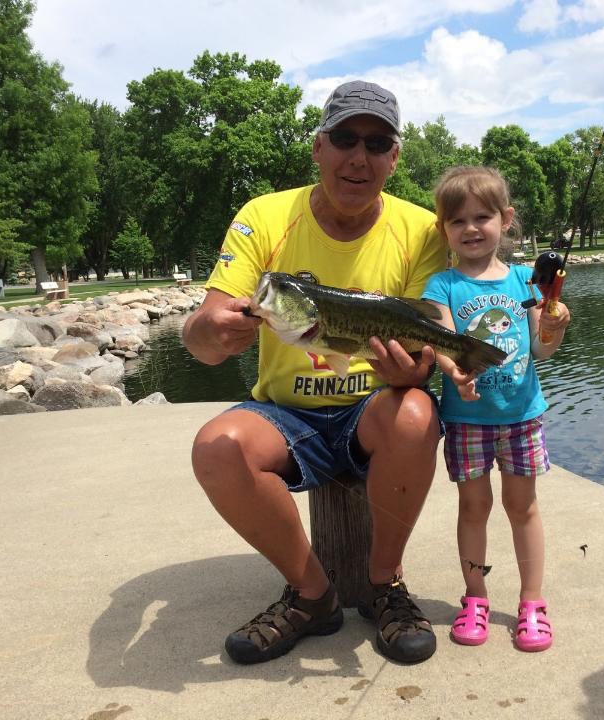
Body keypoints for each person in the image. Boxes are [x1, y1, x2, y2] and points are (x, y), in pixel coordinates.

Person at [181, 80, 446, 665]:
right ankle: (312, 595)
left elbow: (426, 339)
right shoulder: (263, 216)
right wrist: (207, 332)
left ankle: (384, 587)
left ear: (394, 158)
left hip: (369, 410)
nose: (360, 155)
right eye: (345, 138)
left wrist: (415, 371)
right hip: (284, 415)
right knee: (216, 447)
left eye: (377, 143)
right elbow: (204, 335)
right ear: (318, 148)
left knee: (417, 413)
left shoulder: (423, 229)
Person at [420, 166, 571, 651]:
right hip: (467, 420)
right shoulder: (441, 285)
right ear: (444, 228)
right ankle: (476, 597)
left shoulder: (528, 281)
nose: (470, 228)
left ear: (505, 220)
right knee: (473, 507)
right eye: (457, 220)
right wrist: (453, 370)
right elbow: (439, 339)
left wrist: (556, 324)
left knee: (522, 507)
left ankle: (531, 603)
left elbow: (541, 349)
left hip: (523, 416)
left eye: (481, 216)